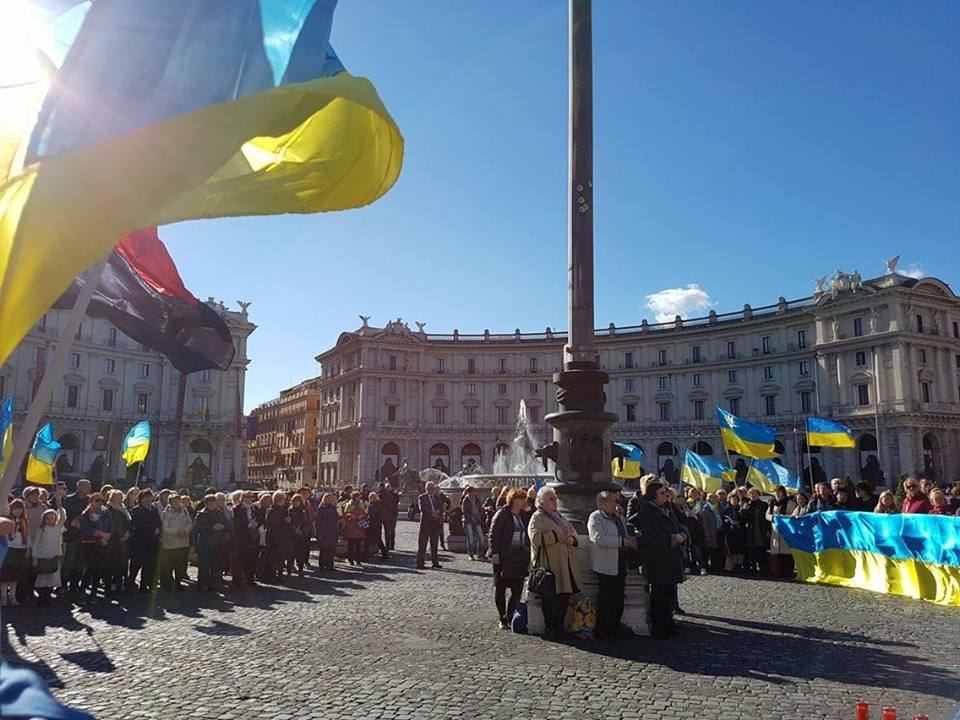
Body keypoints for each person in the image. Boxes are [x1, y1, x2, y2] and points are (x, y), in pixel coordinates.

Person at [634, 481, 685, 639]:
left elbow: (680, 524)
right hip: (657, 558)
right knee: (659, 594)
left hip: (671, 557)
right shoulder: (647, 510)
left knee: (669, 592)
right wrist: (673, 538)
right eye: (662, 493)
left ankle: (668, 623)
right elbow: (652, 536)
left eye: (666, 493)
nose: (665, 496)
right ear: (653, 495)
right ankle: (659, 626)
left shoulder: (668, 507)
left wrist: (683, 535)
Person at [528, 486, 580, 638]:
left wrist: (572, 539)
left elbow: (573, 532)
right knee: (549, 597)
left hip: (565, 564)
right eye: (551, 499)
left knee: (565, 595)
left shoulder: (559, 516)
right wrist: (557, 536)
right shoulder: (537, 517)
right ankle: (551, 627)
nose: (554, 501)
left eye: (555, 498)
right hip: (549, 565)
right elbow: (536, 538)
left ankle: (559, 625)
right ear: (541, 501)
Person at [588, 491, 636, 639]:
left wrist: (629, 541)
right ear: (601, 504)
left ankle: (615, 625)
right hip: (605, 564)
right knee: (606, 598)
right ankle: (603, 628)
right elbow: (599, 539)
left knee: (618, 596)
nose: (615, 504)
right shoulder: (596, 517)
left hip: (620, 561)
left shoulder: (618, 517)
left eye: (615, 501)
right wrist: (622, 542)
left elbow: (624, 534)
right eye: (611, 502)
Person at [487, 487, 530, 629]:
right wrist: (494, 553)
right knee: (500, 587)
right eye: (521, 498)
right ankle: (502, 617)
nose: (523, 501)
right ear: (514, 499)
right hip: (504, 555)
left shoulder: (522, 514)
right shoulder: (502, 513)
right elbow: (493, 534)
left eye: (524, 498)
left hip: (518, 556)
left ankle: (511, 613)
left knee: (517, 588)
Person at [78, 494, 113, 599]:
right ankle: (83, 590)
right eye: (97, 500)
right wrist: (101, 534)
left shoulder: (106, 513)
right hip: (90, 544)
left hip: (103, 544)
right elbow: (87, 528)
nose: (100, 503)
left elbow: (111, 526)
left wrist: (107, 537)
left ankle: (94, 590)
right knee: (90, 568)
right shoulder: (85, 514)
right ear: (91, 501)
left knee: (99, 568)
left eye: (102, 501)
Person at [62, 479, 91, 597]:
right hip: (72, 535)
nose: (88, 488)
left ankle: (75, 584)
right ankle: (63, 584)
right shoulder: (69, 499)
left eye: (89, 486)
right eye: (86, 486)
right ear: (79, 487)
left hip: (86, 535)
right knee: (69, 561)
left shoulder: (90, 500)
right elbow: (70, 513)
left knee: (81, 562)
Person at [129, 488, 162, 593]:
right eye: (146, 498)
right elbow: (138, 525)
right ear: (141, 498)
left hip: (152, 542)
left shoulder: (154, 509)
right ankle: (130, 582)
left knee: (149, 565)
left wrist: (158, 528)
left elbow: (159, 521)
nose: (148, 500)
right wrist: (152, 529)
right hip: (140, 541)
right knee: (136, 564)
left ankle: (144, 585)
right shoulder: (136, 510)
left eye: (150, 497)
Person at [158, 494, 192, 590]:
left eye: (178, 501)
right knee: (168, 565)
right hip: (170, 543)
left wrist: (186, 530)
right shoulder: (166, 513)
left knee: (180, 565)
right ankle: (167, 584)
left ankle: (178, 582)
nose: (177, 503)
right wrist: (177, 532)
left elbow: (190, 523)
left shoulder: (184, 510)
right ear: (171, 503)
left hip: (183, 542)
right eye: (175, 502)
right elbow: (165, 528)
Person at [32, 509, 64, 606]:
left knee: (52, 577)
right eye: (48, 518)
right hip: (42, 556)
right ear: (44, 519)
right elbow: (36, 544)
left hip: (53, 556)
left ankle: (48, 596)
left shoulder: (58, 529)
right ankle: (41, 596)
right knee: (42, 577)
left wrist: (59, 505)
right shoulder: (40, 530)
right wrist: (34, 557)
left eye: (52, 518)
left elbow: (63, 517)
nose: (50, 520)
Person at [194, 495, 227, 592]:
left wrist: (222, 526)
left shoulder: (219, 513)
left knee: (216, 566)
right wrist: (211, 527)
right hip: (205, 544)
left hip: (217, 543)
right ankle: (202, 585)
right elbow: (197, 528)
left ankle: (214, 584)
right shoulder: (201, 514)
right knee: (204, 566)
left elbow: (228, 524)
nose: (213, 505)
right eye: (211, 504)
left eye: (214, 503)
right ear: (206, 504)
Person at [0, 499, 29, 606]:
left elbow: (27, 536)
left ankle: (13, 597)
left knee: (15, 576)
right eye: (15, 508)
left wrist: (28, 548)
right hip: (8, 548)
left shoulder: (24, 521)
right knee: (5, 575)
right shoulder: (6, 520)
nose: (17, 511)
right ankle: (3, 597)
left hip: (20, 549)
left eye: (20, 509)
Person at [765, 486, 796, 578]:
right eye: (775, 492)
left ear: (783, 492)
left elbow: (792, 514)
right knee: (777, 552)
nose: (777, 494)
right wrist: (773, 518)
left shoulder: (789, 503)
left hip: (785, 530)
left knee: (786, 552)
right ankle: (779, 571)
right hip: (775, 530)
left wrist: (782, 517)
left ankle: (788, 571)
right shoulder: (772, 503)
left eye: (779, 492)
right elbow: (767, 515)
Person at [105, 490, 131, 594]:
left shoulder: (124, 509)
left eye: (120, 497)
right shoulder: (108, 509)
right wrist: (117, 536)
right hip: (113, 540)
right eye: (116, 498)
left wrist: (128, 532)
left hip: (124, 540)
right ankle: (109, 585)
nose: (119, 500)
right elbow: (109, 525)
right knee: (111, 564)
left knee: (122, 563)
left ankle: (119, 584)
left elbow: (129, 522)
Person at [232, 491, 260, 587]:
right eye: (248, 497)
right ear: (243, 498)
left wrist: (256, 524)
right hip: (242, 538)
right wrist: (248, 525)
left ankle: (250, 579)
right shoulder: (237, 508)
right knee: (241, 560)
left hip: (253, 537)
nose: (250, 499)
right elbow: (236, 524)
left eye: (252, 497)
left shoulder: (254, 508)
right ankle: (238, 581)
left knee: (252, 560)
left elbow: (259, 518)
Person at [266, 490, 296, 577]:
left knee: (283, 555)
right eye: (283, 499)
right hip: (275, 537)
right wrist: (284, 521)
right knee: (277, 556)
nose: (285, 501)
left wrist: (289, 521)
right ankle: (276, 574)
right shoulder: (271, 510)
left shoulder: (283, 510)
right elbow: (270, 523)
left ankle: (281, 572)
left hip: (283, 536)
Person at [741, 488, 770, 575]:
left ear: (758, 494)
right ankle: (753, 568)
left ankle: (763, 568)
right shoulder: (747, 505)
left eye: (754, 494)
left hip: (761, 530)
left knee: (761, 549)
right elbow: (743, 518)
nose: (753, 496)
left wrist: (768, 529)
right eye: (751, 494)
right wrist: (742, 510)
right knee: (752, 550)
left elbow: (766, 519)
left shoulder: (764, 505)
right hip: (750, 530)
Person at [417, 482, 444, 570]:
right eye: (429, 488)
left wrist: (438, 512)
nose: (431, 489)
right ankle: (420, 563)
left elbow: (441, 507)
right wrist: (432, 514)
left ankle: (435, 562)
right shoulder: (422, 497)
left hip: (435, 523)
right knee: (422, 544)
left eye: (432, 488)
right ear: (426, 488)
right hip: (425, 523)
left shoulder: (437, 497)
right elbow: (422, 508)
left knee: (434, 544)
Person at [698, 493, 726, 575]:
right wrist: (707, 535)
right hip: (711, 532)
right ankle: (712, 568)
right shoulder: (705, 508)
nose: (714, 498)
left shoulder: (719, 507)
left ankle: (719, 567)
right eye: (712, 497)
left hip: (720, 531)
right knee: (711, 551)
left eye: (715, 497)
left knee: (719, 550)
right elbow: (704, 523)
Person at [340, 491, 367, 568]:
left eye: (359, 497)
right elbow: (344, 515)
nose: (359, 498)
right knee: (351, 544)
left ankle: (358, 559)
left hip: (359, 527)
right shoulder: (349, 505)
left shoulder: (361, 504)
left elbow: (365, 513)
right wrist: (350, 515)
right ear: (354, 497)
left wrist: (362, 515)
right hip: (351, 527)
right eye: (358, 497)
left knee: (358, 545)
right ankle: (350, 559)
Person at [316, 493, 340, 571]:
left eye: (331, 499)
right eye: (328, 499)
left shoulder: (333, 508)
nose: (330, 500)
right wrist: (319, 533)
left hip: (332, 531)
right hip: (324, 531)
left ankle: (330, 565)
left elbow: (338, 518)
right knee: (324, 550)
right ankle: (322, 565)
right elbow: (318, 522)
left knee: (331, 549)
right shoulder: (321, 508)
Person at [289, 494, 312, 575]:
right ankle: (290, 568)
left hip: (303, 535)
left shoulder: (305, 511)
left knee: (301, 553)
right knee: (292, 552)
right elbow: (289, 522)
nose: (296, 503)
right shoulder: (290, 510)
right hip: (293, 535)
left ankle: (300, 569)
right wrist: (294, 530)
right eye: (294, 501)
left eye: (298, 501)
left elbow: (309, 522)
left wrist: (303, 530)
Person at [461, 485, 486, 560]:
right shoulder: (465, 500)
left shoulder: (477, 499)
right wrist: (471, 517)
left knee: (481, 537)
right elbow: (464, 512)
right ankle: (471, 554)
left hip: (477, 520)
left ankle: (480, 554)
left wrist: (479, 516)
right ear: (468, 492)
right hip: (468, 521)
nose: (472, 493)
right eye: (470, 491)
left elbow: (480, 508)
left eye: (473, 491)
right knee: (470, 539)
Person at [364, 492, 389, 561]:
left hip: (375, 525)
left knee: (376, 540)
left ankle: (384, 554)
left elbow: (382, 515)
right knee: (370, 541)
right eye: (371, 497)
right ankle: (365, 556)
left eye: (373, 497)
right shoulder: (370, 504)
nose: (372, 498)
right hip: (371, 524)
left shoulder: (377, 505)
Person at [379, 482, 400, 551]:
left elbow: (397, 501)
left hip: (393, 515)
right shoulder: (382, 494)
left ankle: (392, 545)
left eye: (389, 487)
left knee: (392, 530)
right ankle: (387, 545)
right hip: (385, 515)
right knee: (387, 530)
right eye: (387, 487)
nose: (388, 488)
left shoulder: (394, 495)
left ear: (391, 487)